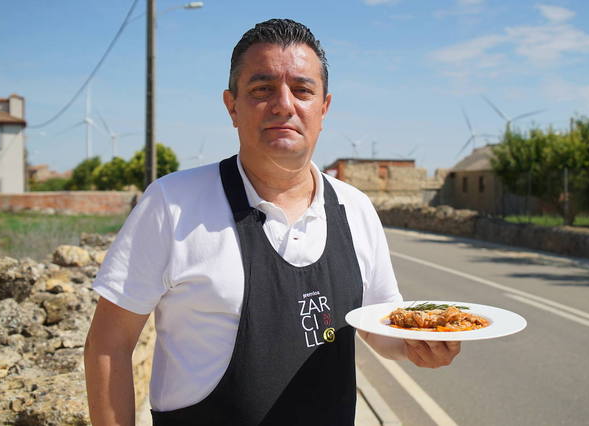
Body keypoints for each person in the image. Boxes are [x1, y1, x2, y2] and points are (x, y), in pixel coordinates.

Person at [84, 18, 460, 426]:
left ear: (324, 108)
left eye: (302, 90)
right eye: (262, 90)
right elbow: (109, 344)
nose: (284, 104)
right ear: (232, 106)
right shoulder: (173, 205)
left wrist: (413, 345)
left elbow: (377, 322)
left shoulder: (356, 209)